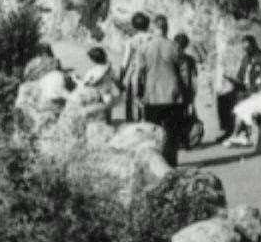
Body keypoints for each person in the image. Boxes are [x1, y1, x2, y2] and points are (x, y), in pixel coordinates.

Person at [123, 15, 184, 162]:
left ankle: (157, 162)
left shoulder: (145, 47)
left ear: (154, 28)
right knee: (171, 130)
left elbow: (138, 73)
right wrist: (186, 95)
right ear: (166, 28)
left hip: (151, 95)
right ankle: (171, 161)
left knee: (153, 131)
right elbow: (184, 72)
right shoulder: (175, 46)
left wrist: (137, 94)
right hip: (172, 94)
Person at [218, 35, 261, 144]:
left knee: (240, 98)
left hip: (253, 88)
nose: (246, 50)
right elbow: (240, 75)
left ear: (254, 45)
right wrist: (233, 80)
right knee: (222, 98)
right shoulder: (245, 58)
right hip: (243, 86)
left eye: (248, 48)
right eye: (244, 48)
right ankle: (228, 129)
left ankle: (239, 132)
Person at [73, 46, 122, 124]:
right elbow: (116, 80)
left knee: (97, 122)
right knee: (108, 121)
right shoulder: (110, 68)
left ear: (92, 59)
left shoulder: (92, 71)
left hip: (96, 99)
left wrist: (76, 80)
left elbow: (87, 85)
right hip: (108, 96)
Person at [173, 32, 201, 149]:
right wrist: (194, 93)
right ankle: (185, 140)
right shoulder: (190, 59)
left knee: (176, 116)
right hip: (186, 91)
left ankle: (180, 140)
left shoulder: (173, 58)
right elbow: (194, 77)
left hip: (177, 91)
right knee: (185, 115)